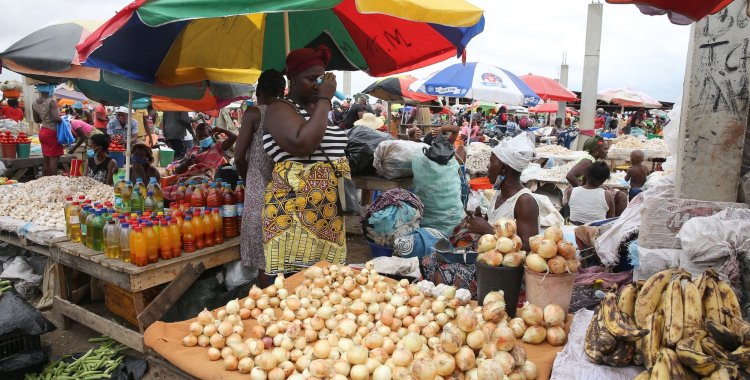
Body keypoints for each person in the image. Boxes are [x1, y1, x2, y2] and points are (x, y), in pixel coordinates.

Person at [261, 45, 349, 285]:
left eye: (322, 79)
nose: (319, 85)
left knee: (324, 283)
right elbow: (303, 144)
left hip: (326, 215)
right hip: (292, 215)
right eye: (311, 79)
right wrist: (324, 99)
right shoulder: (280, 108)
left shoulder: (315, 109)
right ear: (292, 78)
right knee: (290, 285)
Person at [234, 69, 286, 272]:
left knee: (263, 260)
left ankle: (265, 296)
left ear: (260, 90)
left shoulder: (255, 113)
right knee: (280, 254)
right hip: (284, 189)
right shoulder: (289, 114)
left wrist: (248, 177)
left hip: (259, 190)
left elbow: (238, 156)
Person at [462, 134, 540, 250]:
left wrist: (486, 229)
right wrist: (480, 219)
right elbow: (496, 227)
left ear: (503, 169)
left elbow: (528, 247)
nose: (488, 166)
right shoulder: (499, 194)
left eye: (492, 162)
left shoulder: (524, 201)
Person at [565, 136, 628, 216]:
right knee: (621, 196)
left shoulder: (592, 159)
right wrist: (583, 190)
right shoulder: (588, 161)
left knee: (615, 193)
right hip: (579, 191)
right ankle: (614, 223)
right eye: (605, 149)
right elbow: (570, 176)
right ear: (596, 150)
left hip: (586, 188)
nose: (607, 151)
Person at [31, 84, 63, 176]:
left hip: (43, 132)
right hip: (52, 132)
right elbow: (57, 119)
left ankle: (46, 180)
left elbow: (37, 120)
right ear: (50, 89)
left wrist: (45, 118)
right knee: (54, 159)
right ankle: (52, 181)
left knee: (46, 159)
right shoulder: (51, 101)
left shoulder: (34, 103)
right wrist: (65, 120)